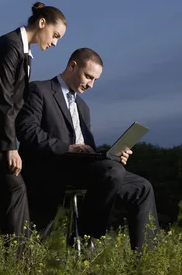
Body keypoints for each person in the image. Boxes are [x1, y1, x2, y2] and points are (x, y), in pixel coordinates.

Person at [15, 48, 160, 252]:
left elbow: (86, 147)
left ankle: (148, 259)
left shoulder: (83, 107)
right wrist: (67, 148)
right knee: (113, 171)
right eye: (88, 77)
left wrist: (111, 154)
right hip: (52, 168)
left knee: (142, 187)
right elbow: (26, 132)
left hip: (83, 169)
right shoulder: (39, 90)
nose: (91, 84)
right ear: (72, 66)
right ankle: (84, 237)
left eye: (95, 80)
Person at [0, 1, 67, 249]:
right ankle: (21, 258)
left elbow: (15, 103)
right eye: (55, 35)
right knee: (14, 184)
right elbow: (3, 101)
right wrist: (11, 146)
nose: (55, 43)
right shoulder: (9, 46)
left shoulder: (23, 51)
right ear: (42, 23)